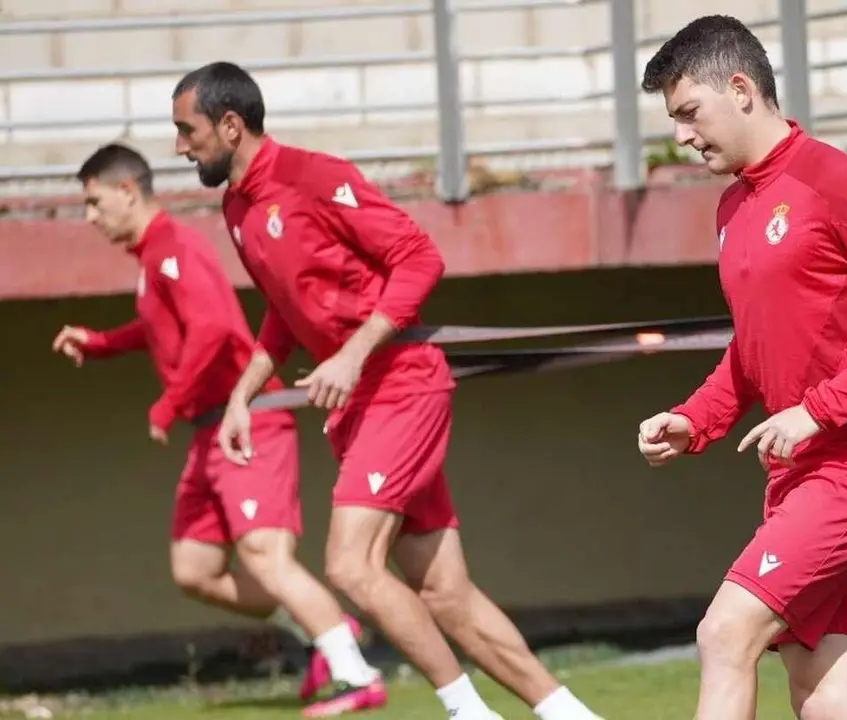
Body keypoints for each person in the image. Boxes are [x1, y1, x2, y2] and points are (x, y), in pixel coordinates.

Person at [169, 60, 605, 720]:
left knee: (349, 566)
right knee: (445, 591)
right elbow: (284, 310)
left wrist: (349, 356)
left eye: (186, 130)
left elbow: (420, 259)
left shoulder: (314, 176)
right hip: (361, 410)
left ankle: (467, 712)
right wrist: (243, 396)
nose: (180, 146)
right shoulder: (235, 208)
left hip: (403, 390)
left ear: (230, 126)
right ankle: (567, 713)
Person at [634, 15, 847, 720]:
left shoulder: (835, 181)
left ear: (742, 89)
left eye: (689, 113)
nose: (682, 136)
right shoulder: (732, 206)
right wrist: (695, 419)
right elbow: (754, 348)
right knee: (824, 701)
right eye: (673, 119)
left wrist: (817, 410)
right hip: (801, 472)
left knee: (724, 634)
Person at [51, 143, 387, 718]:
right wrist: (101, 344)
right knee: (195, 568)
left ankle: (356, 675)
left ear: (127, 191)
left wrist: (167, 405)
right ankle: (321, 629)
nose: (88, 217)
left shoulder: (175, 248)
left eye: (92, 202)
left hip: (247, 422)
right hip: (210, 433)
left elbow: (212, 330)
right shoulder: (153, 259)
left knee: (264, 555)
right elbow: (164, 327)